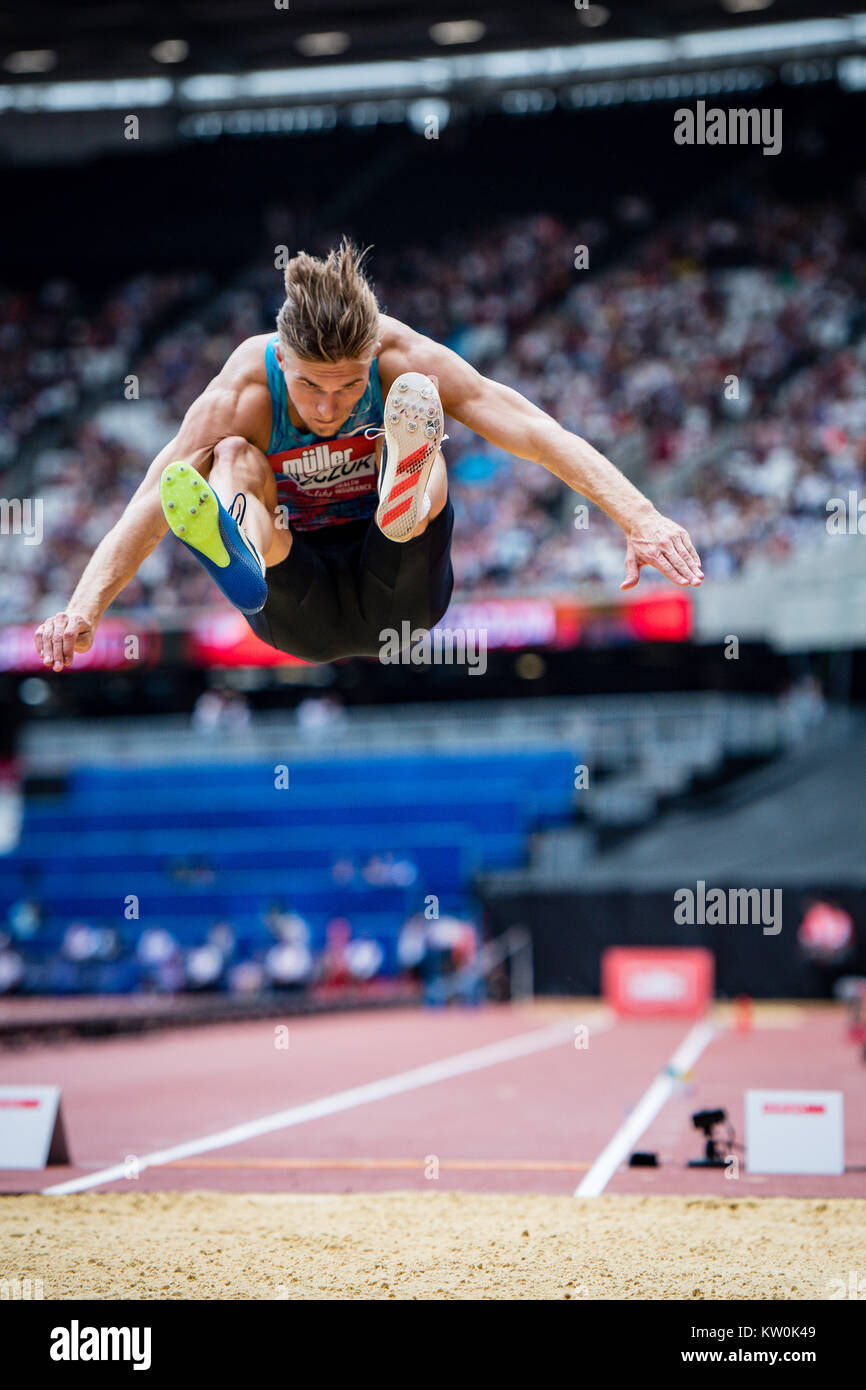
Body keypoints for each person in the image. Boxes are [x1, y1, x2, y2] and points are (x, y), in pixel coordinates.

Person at [34, 239, 703, 671]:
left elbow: (532, 428)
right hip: (298, 600)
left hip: (400, 589)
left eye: (349, 385)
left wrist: (641, 517)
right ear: (281, 355)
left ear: (369, 356)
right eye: (308, 388)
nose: (327, 408)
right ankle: (242, 541)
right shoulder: (241, 388)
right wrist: (84, 609)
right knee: (229, 455)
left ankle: (401, 496)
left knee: (416, 410)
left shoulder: (402, 358)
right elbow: (151, 501)